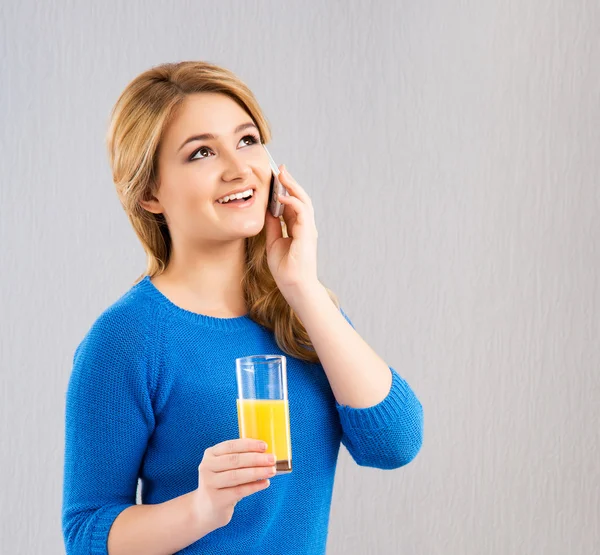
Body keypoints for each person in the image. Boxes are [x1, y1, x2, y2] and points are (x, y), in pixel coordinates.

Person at [62, 60, 424, 555]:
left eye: (248, 140)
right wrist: (201, 508)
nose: (239, 168)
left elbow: (395, 444)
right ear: (150, 193)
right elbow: (86, 534)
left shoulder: (299, 312)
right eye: (202, 152)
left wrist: (303, 287)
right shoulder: (127, 339)